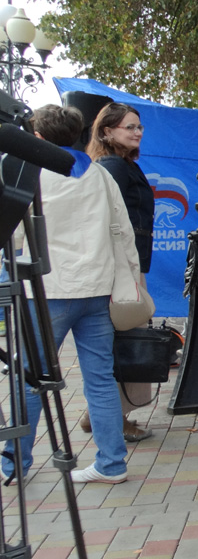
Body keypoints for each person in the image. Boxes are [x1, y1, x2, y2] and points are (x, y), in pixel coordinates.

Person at [1, 105, 137, 484]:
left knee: (31, 378)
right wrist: (130, 280)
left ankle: (15, 465)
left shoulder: (28, 172)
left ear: (37, 137)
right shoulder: (99, 174)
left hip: (46, 290)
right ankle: (112, 463)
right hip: (97, 289)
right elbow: (122, 230)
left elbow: (11, 233)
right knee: (101, 380)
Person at [85, 102, 155, 442]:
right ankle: (112, 418)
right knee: (127, 341)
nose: (137, 132)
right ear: (107, 130)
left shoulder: (120, 164)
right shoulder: (112, 166)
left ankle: (105, 414)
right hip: (122, 265)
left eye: (139, 127)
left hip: (129, 261)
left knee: (126, 339)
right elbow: (105, 218)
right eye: (130, 127)